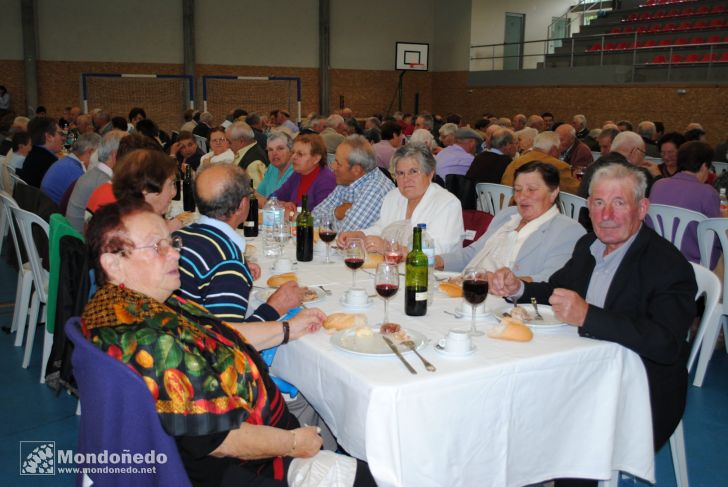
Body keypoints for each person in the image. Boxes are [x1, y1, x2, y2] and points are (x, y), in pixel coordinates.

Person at [83, 199, 376, 487]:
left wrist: (287, 329)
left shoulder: (135, 304)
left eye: (171, 243)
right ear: (113, 263)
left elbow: (217, 332)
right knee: (370, 476)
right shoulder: (147, 340)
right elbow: (220, 439)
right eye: (156, 246)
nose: (174, 255)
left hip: (237, 443)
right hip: (236, 467)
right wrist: (295, 442)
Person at [489, 163, 697, 487]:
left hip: (639, 386)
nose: (607, 215)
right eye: (598, 203)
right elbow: (556, 290)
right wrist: (519, 289)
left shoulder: (668, 265)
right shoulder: (589, 246)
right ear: (588, 208)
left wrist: (588, 316)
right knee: (502, 394)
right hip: (579, 369)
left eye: (619, 203)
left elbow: (665, 343)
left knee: (571, 429)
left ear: (642, 208)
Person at [176, 164, 305, 332]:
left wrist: (233, 274)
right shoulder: (227, 262)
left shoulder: (179, 237)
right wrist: (274, 307)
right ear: (243, 205)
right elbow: (229, 342)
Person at [437, 162, 585, 281]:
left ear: (553, 193)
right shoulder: (507, 215)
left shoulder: (568, 230)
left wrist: (500, 281)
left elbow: (550, 279)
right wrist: (434, 261)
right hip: (467, 285)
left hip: (506, 301)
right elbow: (473, 253)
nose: (521, 197)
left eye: (531, 189)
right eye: (517, 189)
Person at [338, 143, 464, 254]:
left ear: (430, 173)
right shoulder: (393, 196)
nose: (406, 179)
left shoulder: (447, 204)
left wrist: (389, 247)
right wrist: (359, 235)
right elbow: (381, 228)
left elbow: (439, 251)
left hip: (431, 275)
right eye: (401, 173)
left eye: (413, 172)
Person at [650, 141, 721, 267]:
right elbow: (717, 233)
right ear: (704, 166)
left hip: (656, 258)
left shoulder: (658, 185)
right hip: (695, 266)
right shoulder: (708, 193)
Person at [87, 148, 185, 232]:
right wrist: (164, 231)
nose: (174, 192)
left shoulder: (128, 216)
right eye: (170, 185)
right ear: (144, 189)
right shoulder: (123, 232)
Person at [311, 135, 394, 232]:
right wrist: (336, 212)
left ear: (356, 170)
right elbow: (312, 219)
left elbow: (346, 235)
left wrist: (330, 220)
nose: (333, 166)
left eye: (338, 163)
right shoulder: (347, 181)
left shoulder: (376, 189)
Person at [65, 130, 126, 233]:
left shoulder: (94, 174)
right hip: (80, 242)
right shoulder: (104, 183)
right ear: (115, 156)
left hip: (75, 237)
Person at [270, 133, 336, 216]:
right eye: (293, 152)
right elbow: (272, 198)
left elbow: (322, 217)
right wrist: (282, 204)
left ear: (316, 158)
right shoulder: (297, 174)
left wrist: (290, 214)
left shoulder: (326, 180)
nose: (293, 157)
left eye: (300, 154)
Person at [501, 131, 580, 194]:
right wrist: (576, 180)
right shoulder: (559, 166)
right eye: (559, 150)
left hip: (505, 208)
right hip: (530, 209)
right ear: (554, 150)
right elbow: (577, 192)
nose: (560, 154)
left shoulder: (515, 162)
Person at [40, 132, 101, 204]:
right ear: (90, 152)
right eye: (99, 155)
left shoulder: (65, 162)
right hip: (54, 212)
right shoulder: (76, 172)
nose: (100, 159)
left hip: (45, 208)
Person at [18, 116, 64, 187]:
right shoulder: (51, 163)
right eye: (60, 134)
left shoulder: (33, 153)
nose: (63, 138)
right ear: (49, 137)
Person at [227, 121, 268, 189]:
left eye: (229, 142)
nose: (228, 146)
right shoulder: (248, 151)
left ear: (241, 141)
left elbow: (257, 194)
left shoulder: (254, 163)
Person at [256, 131, 295, 200]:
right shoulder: (272, 167)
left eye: (280, 148)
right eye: (270, 149)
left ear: (291, 151)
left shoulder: (296, 171)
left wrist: (265, 202)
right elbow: (257, 194)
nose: (274, 153)